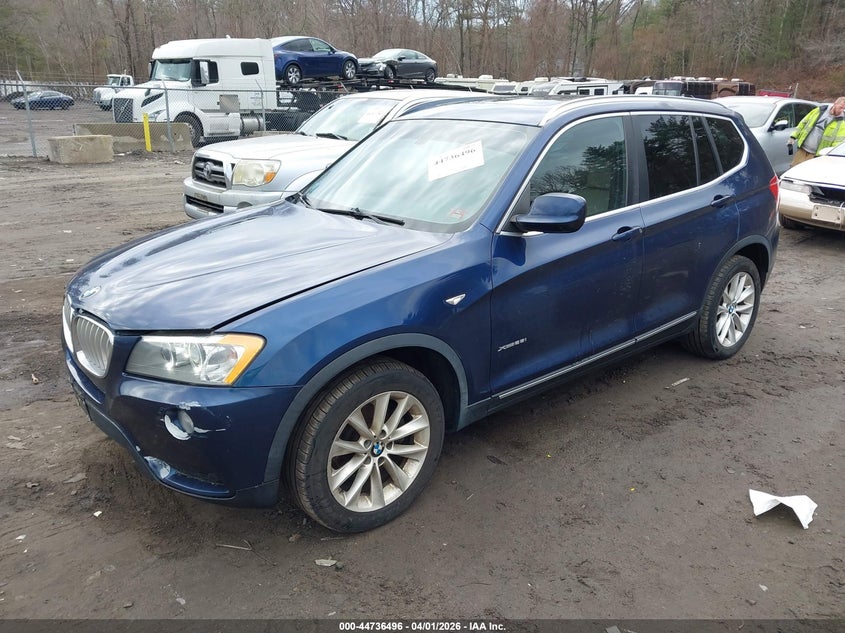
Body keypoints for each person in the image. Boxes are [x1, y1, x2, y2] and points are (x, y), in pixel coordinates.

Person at [787, 96, 845, 166]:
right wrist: (793, 136)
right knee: (793, 170)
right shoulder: (819, 111)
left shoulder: (841, 123)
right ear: (835, 103)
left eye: (844, 109)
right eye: (841, 107)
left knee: (806, 175)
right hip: (802, 150)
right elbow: (803, 122)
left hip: (816, 156)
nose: (841, 111)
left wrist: (829, 156)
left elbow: (837, 144)